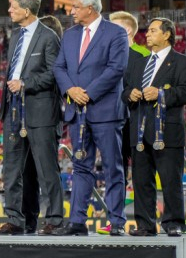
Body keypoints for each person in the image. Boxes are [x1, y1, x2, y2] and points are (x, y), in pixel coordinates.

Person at [52, 0, 128, 236]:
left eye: (75, 7)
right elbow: (58, 67)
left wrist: (89, 93)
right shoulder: (70, 35)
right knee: (80, 166)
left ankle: (116, 220)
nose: (71, 11)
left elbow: (117, 69)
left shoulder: (116, 33)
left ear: (90, 8)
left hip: (105, 111)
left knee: (112, 166)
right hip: (77, 112)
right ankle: (77, 221)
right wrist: (71, 90)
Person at [0, 0, 63, 236]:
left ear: (26, 9)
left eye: (13, 6)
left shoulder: (48, 36)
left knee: (46, 168)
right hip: (13, 110)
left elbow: (55, 74)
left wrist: (25, 83)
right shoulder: (15, 36)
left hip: (40, 110)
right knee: (12, 169)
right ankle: (15, 219)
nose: (9, 10)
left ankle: (54, 219)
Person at [123, 18, 186, 236]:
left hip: (167, 132)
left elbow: (185, 92)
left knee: (170, 180)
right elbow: (125, 89)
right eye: (147, 31)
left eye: (152, 31)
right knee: (141, 180)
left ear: (166, 34)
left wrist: (161, 94)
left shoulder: (181, 62)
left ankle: (173, 223)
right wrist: (130, 94)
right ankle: (145, 224)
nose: (147, 34)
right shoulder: (140, 62)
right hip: (139, 131)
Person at [97, 11, 152, 235]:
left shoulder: (144, 55)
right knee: (115, 171)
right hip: (112, 118)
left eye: (113, 26)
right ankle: (115, 221)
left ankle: (145, 223)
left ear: (126, 30)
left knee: (141, 173)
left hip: (136, 120)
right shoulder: (105, 55)